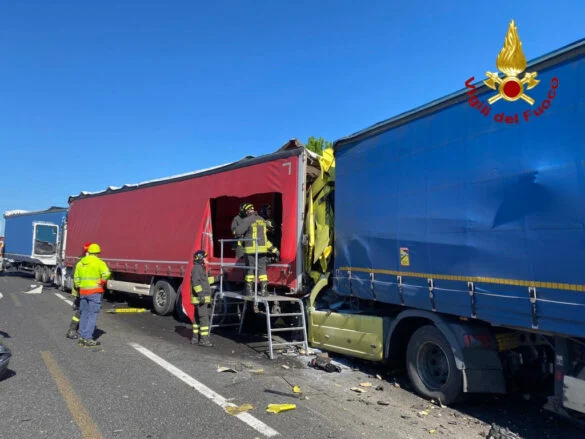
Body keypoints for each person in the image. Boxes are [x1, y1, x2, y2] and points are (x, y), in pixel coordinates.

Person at [234, 202, 280, 296]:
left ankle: (249, 291)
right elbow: (264, 238)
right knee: (262, 269)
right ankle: (264, 291)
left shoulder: (247, 220)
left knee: (250, 269)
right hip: (262, 249)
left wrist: (236, 231)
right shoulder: (261, 220)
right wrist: (274, 249)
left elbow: (238, 232)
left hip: (251, 250)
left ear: (247, 211)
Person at [74, 243, 111, 347]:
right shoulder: (99, 262)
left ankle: (81, 337)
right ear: (98, 253)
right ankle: (88, 338)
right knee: (92, 315)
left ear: (89, 252)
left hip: (83, 292)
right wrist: (102, 282)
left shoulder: (80, 263)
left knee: (84, 314)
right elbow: (107, 273)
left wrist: (79, 285)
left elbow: (76, 277)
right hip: (94, 292)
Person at [190, 250, 218, 347]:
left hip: (199, 299)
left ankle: (195, 338)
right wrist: (201, 295)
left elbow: (204, 281)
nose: (206, 259)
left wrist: (217, 278)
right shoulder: (197, 268)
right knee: (204, 319)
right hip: (200, 299)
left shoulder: (199, 268)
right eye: (204, 257)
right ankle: (204, 340)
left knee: (197, 319)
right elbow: (196, 283)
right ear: (200, 258)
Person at [65, 242, 92, 339]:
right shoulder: (80, 262)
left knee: (83, 311)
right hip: (82, 291)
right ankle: (72, 330)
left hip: (83, 291)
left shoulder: (82, 261)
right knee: (81, 311)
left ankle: (77, 330)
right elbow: (74, 275)